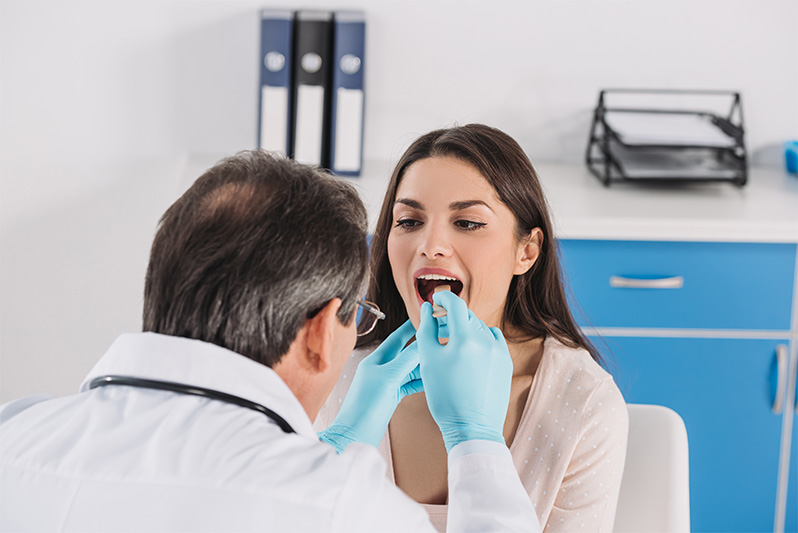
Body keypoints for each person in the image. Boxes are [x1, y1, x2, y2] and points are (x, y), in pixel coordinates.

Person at [0, 151, 540, 532]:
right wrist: (476, 441)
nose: (432, 246)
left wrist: (340, 443)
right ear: (320, 333)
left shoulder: (15, 430)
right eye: (357, 315)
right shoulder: (344, 510)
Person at [315, 124, 630, 532]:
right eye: (409, 221)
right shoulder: (340, 379)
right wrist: (334, 450)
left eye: (467, 223)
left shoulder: (583, 402)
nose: (431, 245)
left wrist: (473, 436)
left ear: (527, 251)